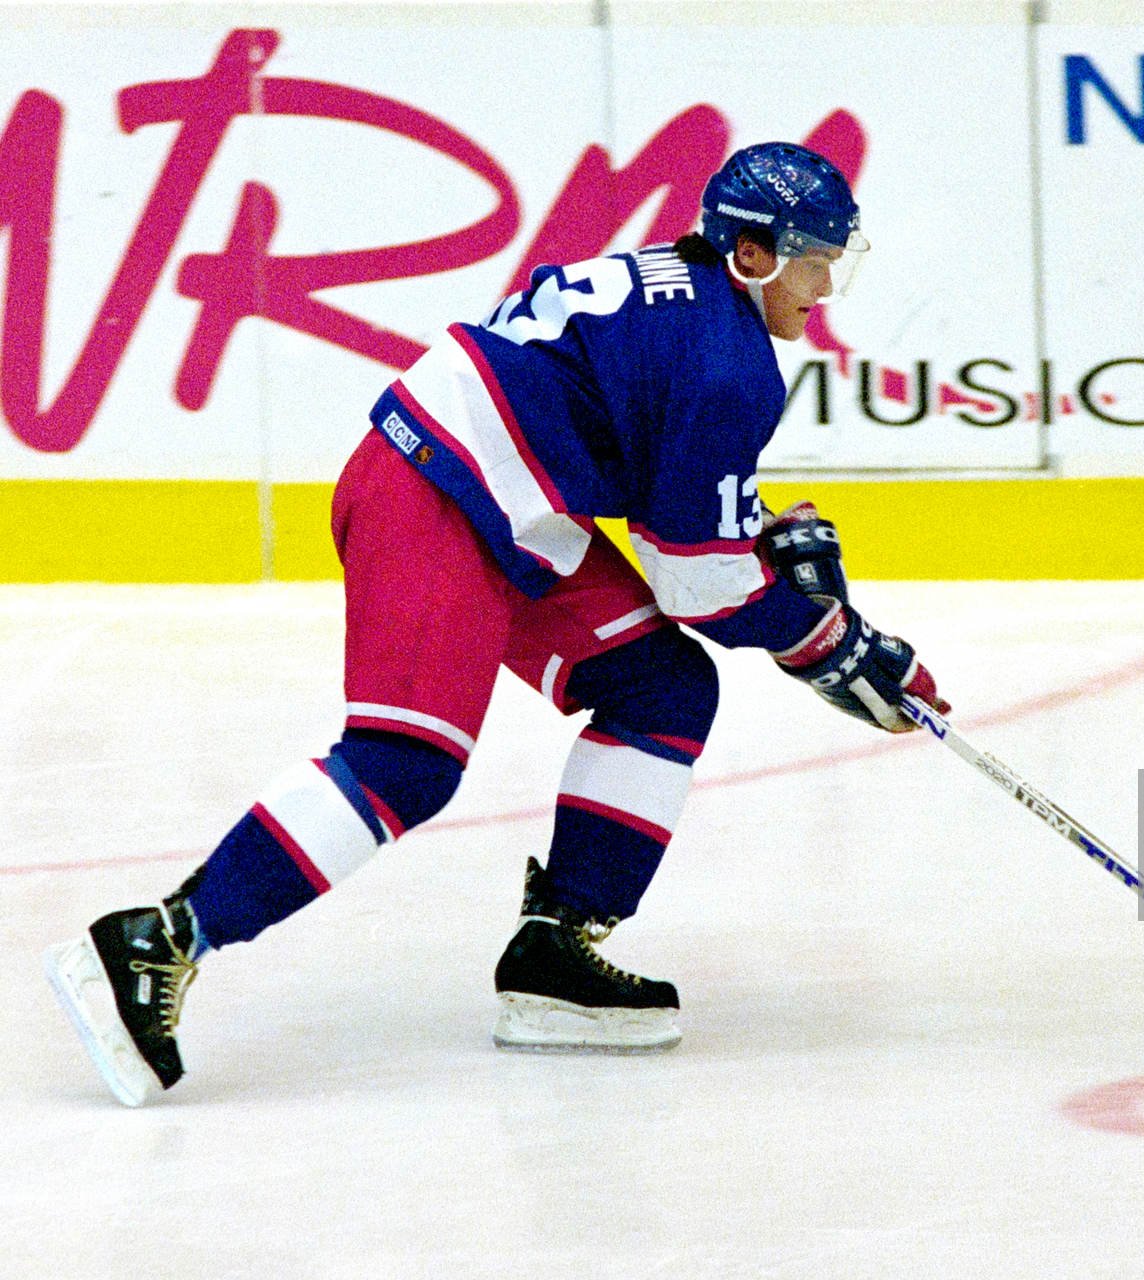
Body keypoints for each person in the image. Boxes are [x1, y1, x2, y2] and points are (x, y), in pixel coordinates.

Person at [43, 141, 948, 1107]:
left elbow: (671, 510)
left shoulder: (678, 289)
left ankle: (556, 949)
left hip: (498, 499)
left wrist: (760, 552)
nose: (825, 286)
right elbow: (700, 588)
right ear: (755, 255)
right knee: (406, 761)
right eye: (814, 260)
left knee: (663, 686)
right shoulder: (729, 364)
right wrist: (830, 643)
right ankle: (156, 941)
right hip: (436, 498)